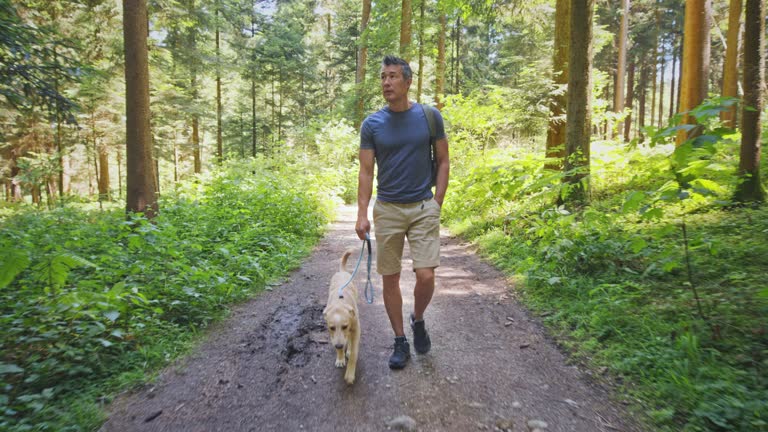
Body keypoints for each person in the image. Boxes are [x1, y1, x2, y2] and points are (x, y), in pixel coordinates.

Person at [355, 55, 450, 370]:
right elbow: (366, 172)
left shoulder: (429, 117)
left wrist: (438, 202)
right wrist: (362, 213)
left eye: (393, 76)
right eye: (383, 77)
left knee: (425, 275)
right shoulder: (372, 124)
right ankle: (399, 340)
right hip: (388, 210)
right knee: (390, 277)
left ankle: (418, 318)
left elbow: (444, 160)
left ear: (408, 82)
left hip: (423, 207)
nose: (386, 82)